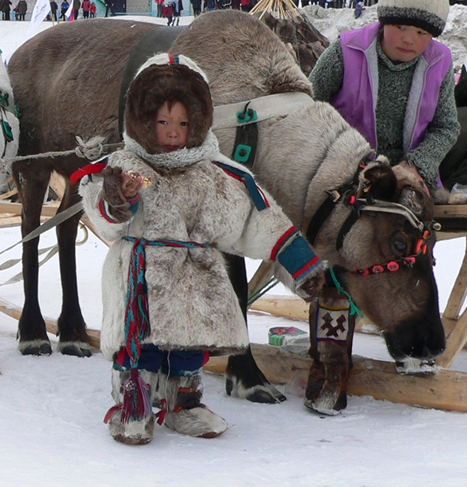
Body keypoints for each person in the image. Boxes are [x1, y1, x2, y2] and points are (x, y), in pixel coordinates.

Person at [76, 53, 324, 445]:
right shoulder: (127, 166)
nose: (172, 132)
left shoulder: (219, 171)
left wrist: (303, 266)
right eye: (162, 122)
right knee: (142, 346)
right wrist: (120, 198)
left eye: (182, 122)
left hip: (198, 277)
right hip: (142, 274)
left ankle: (183, 402)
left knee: (190, 345)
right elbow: (102, 209)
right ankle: (134, 400)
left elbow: (258, 220)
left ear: (199, 121)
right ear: (142, 119)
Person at [309, 0, 460, 192]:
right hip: (343, 170)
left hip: (408, 175)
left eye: (421, 32)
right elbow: (309, 108)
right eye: (401, 27)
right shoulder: (347, 50)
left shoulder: (440, 61)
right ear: (385, 21)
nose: (409, 39)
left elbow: (446, 127)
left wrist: (415, 166)